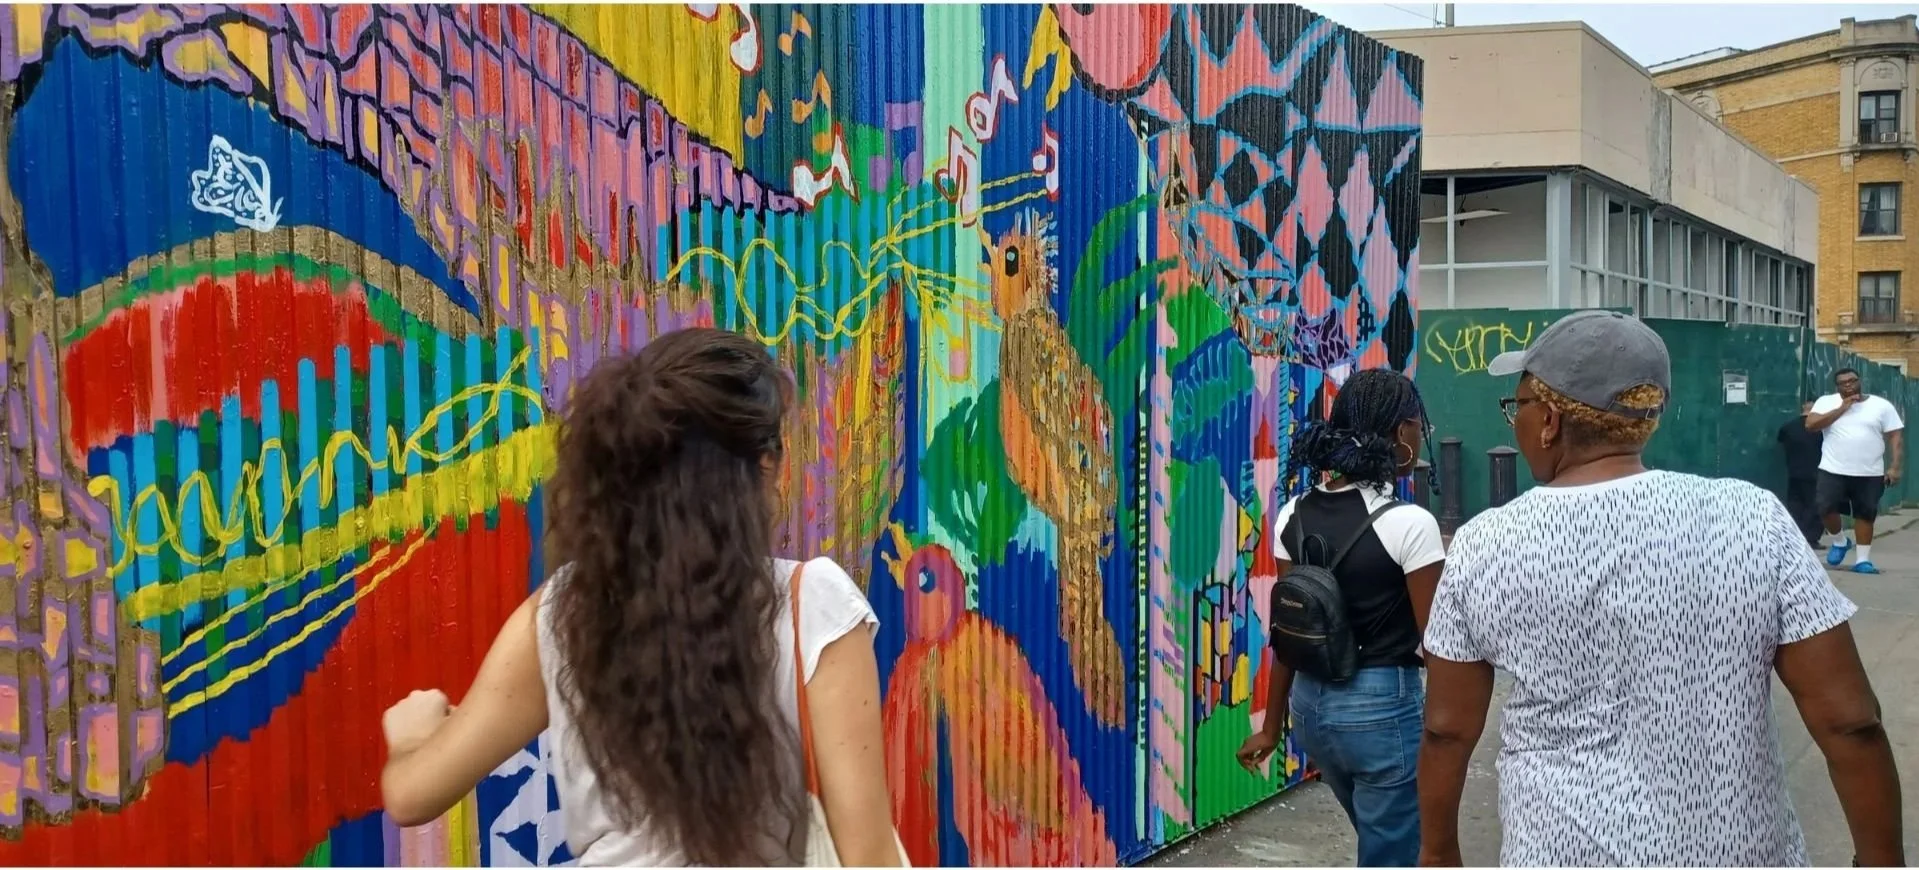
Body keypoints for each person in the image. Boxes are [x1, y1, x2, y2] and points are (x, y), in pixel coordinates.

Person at [376, 328, 901, 866]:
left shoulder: (565, 613)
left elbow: (413, 793)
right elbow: (871, 857)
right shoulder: (814, 604)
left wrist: (411, 738)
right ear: (766, 467)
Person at [1418, 310, 1902, 867]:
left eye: (1518, 407)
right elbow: (1850, 719)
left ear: (1549, 420)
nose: (1517, 423)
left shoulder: (1485, 545)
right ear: (1649, 416)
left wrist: (1438, 853)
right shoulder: (1751, 519)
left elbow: (1447, 731)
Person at [1236, 368, 1446, 868]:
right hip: (1381, 713)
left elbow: (1289, 631)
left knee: (1384, 839)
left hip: (1311, 712)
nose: (1421, 436)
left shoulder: (1293, 514)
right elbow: (1439, 646)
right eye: (1419, 426)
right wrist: (1444, 737)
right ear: (1401, 434)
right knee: (1394, 850)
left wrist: (1271, 728)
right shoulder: (1410, 524)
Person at [1808, 368, 1905, 574]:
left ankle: (1862, 560)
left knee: (1865, 514)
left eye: (1852, 381)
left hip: (1870, 472)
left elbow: (1895, 436)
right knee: (1825, 507)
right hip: (1832, 468)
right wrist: (1842, 408)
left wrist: (1895, 466)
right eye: (1843, 383)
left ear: (1860, 381)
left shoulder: (1881, 406)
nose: (1849, 385)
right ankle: (1840, 541)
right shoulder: (1826, 402)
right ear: (1837, 386)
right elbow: (1811, 424)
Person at [1778, 400, 1825, 548]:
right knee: (1815, 505)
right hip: (1817, 471)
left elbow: (1781, 440)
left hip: (1794, 471)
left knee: (1795, 505)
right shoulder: (1822, 429)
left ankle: (1794, 536)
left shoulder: (1788, 427)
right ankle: (1810, 538)